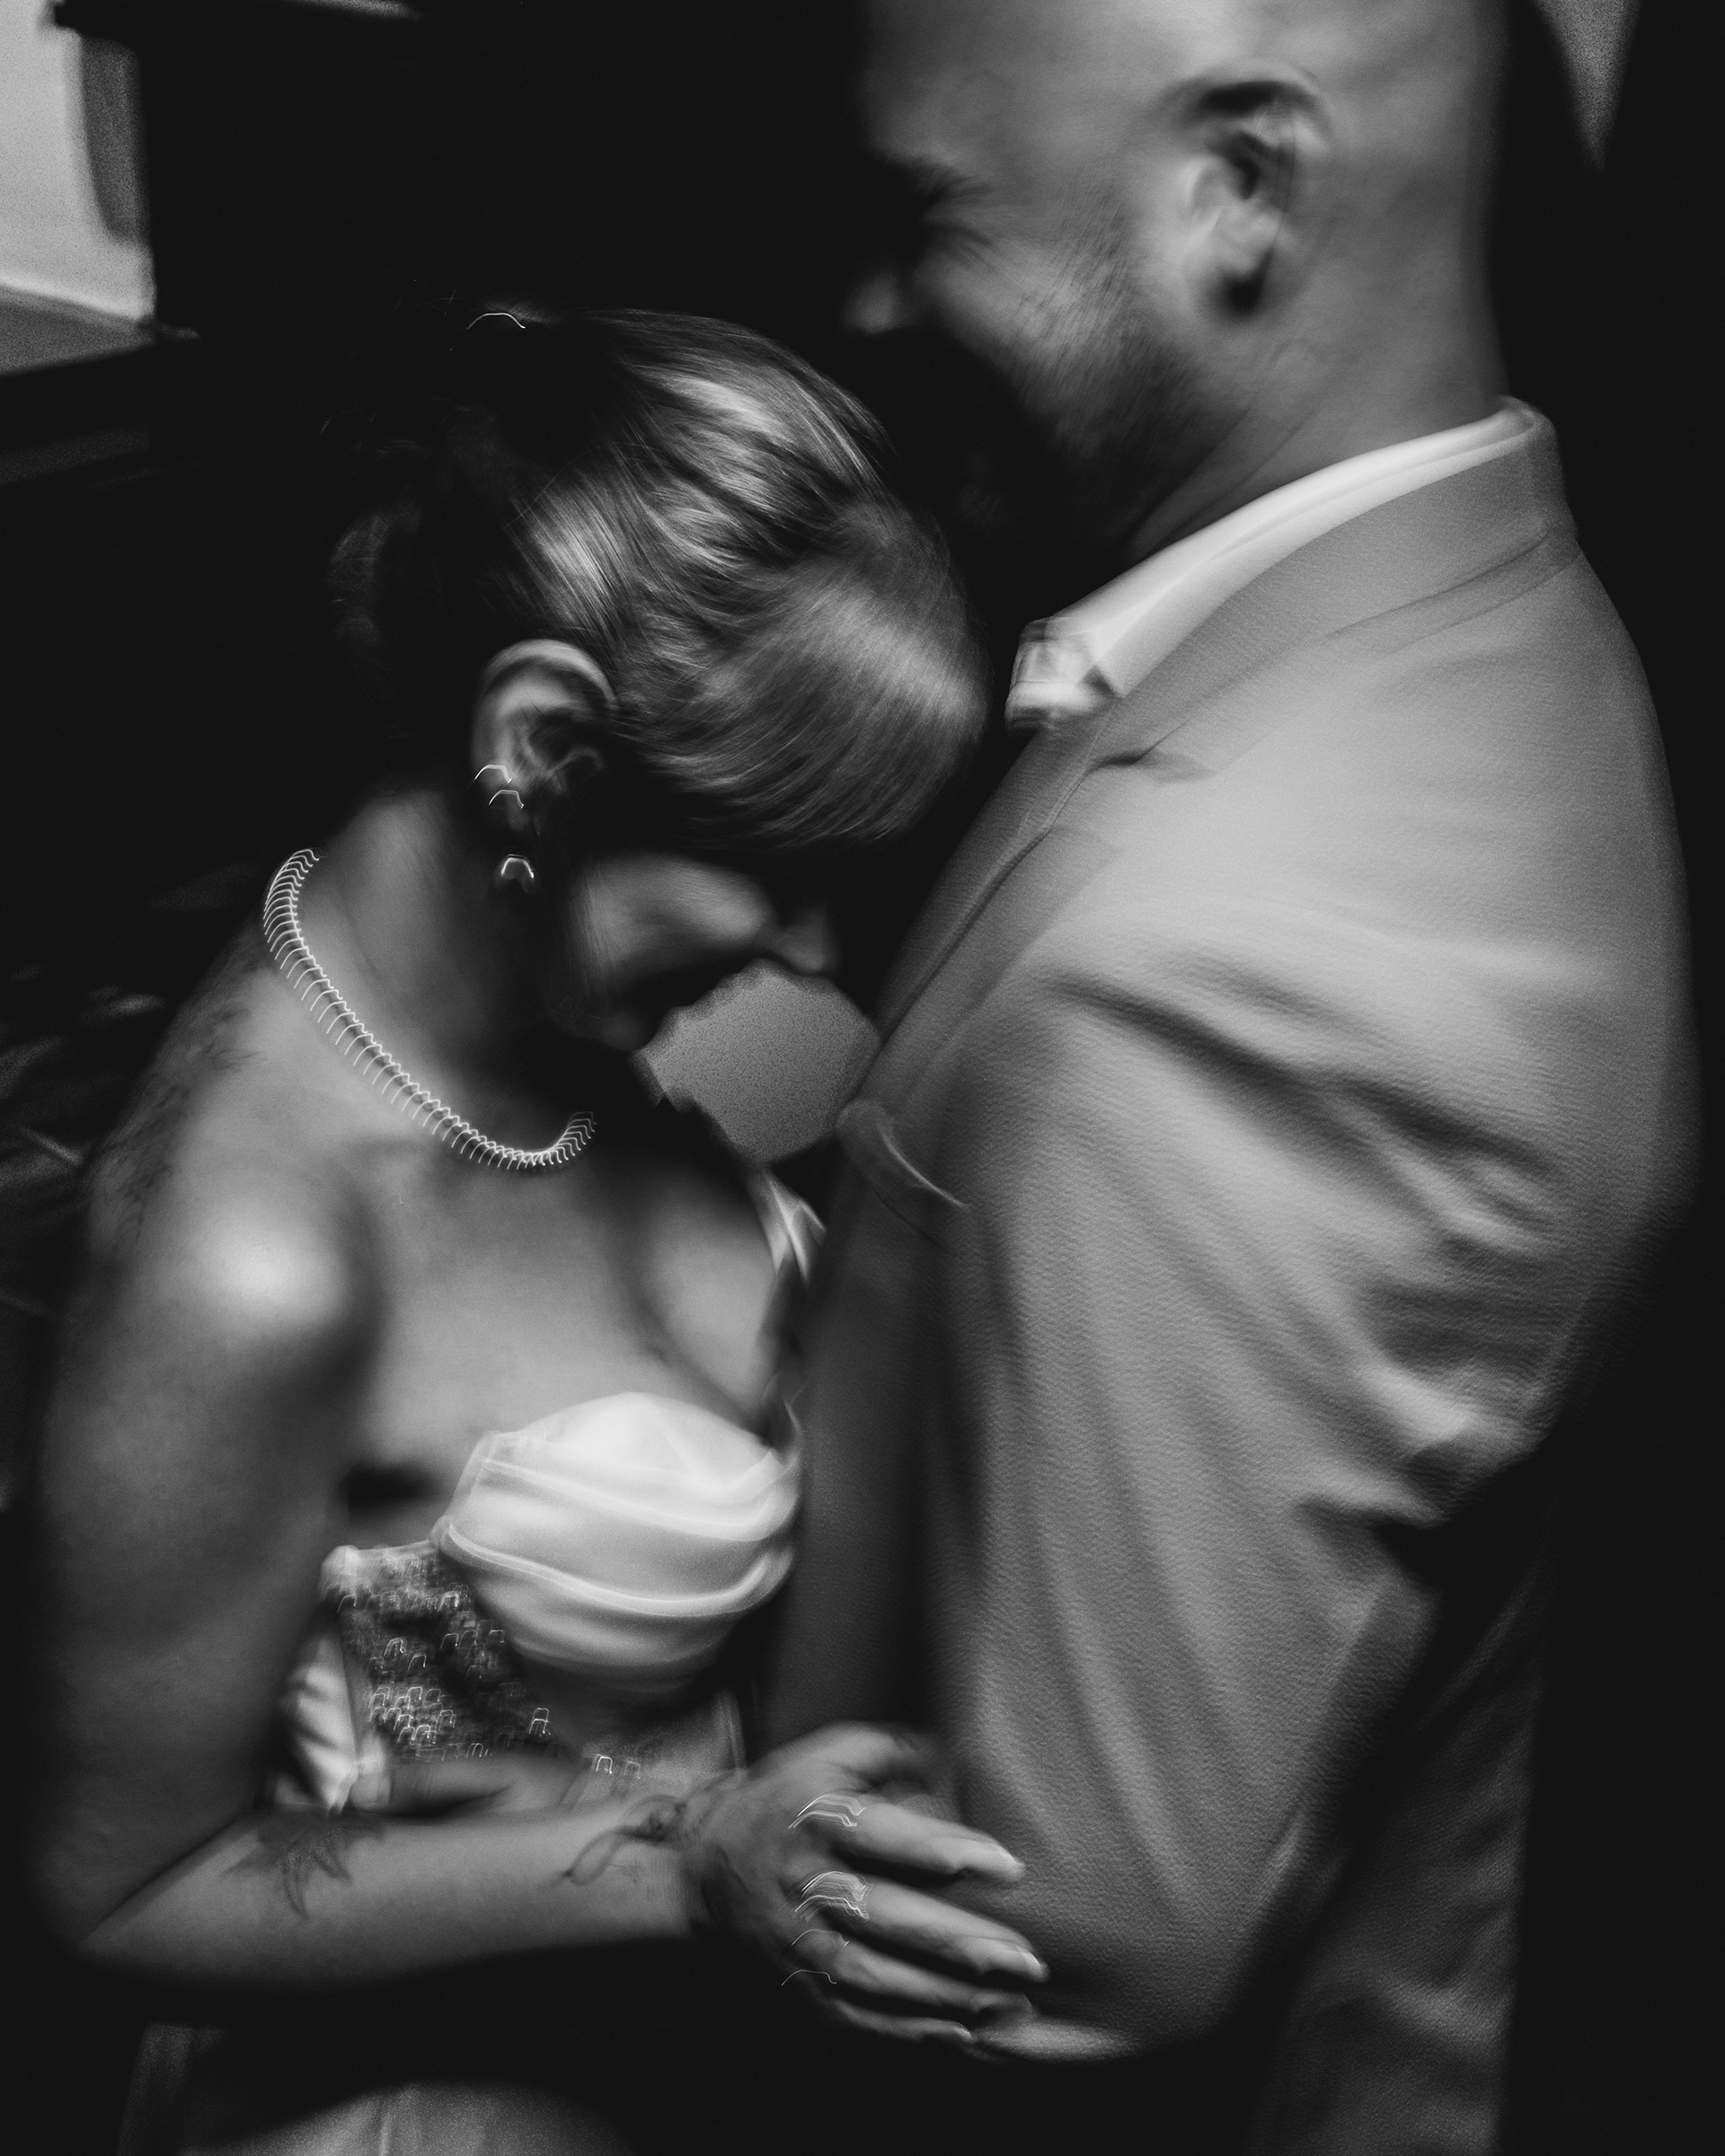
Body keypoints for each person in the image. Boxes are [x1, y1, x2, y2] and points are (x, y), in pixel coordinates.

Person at [684, 2, 1697, 2149]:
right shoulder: (1465, 596)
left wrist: (617, 1827)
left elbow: (1059, 1948)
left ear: (1241, 186)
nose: (872, 306)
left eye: (932, 216)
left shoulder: (1225, 984)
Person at [25, 309, 1044, 2155]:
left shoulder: (550, 1009)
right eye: (776, 863)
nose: (814, 948)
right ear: (542, 747)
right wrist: (683, 1864)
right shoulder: (251, 1260)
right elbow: (117, 1891)